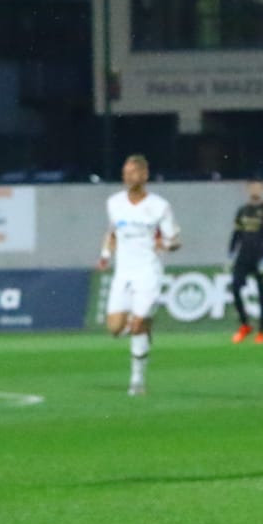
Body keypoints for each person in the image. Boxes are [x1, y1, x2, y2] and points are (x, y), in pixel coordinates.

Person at [97, 153, 180, 395]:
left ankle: (137, 381)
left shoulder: (159, 206)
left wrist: (168, 245)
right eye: (125, 172)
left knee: (138, 324)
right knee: (115, 329)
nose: (127, 176)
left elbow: (173, 240)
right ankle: (142, 328)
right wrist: (105, 254)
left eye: (133, 172)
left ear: (144, 175)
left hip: (148, 273)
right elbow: (112, 232)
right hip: (123, 273)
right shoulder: (114, 203)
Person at [227, 179, 263, 344]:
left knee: (262, 293)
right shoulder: (242, 211)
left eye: (258, 187)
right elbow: (236, 233)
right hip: (243, 256)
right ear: (248, 189)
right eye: (252, 187)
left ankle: (262, 332)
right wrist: (231, 253)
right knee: (235, 288)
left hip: (260, 256)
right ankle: (245, 324)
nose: (255, 190)